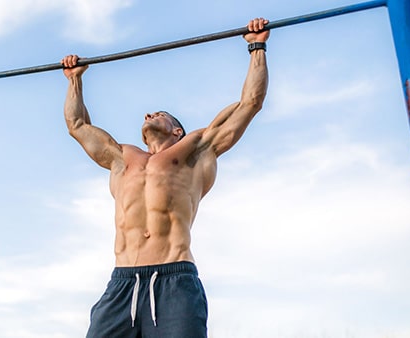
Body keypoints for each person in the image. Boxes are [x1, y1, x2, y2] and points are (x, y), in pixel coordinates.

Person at [61, 17, 270, 338]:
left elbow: (249, 104)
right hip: (122, 283)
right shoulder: (122, 157)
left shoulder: (196, 150)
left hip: (175, 281)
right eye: (147, 114)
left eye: (158, 113)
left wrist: (256, 46)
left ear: (177, 130)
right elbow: (77, 125)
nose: (148, 115)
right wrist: (74, 80)